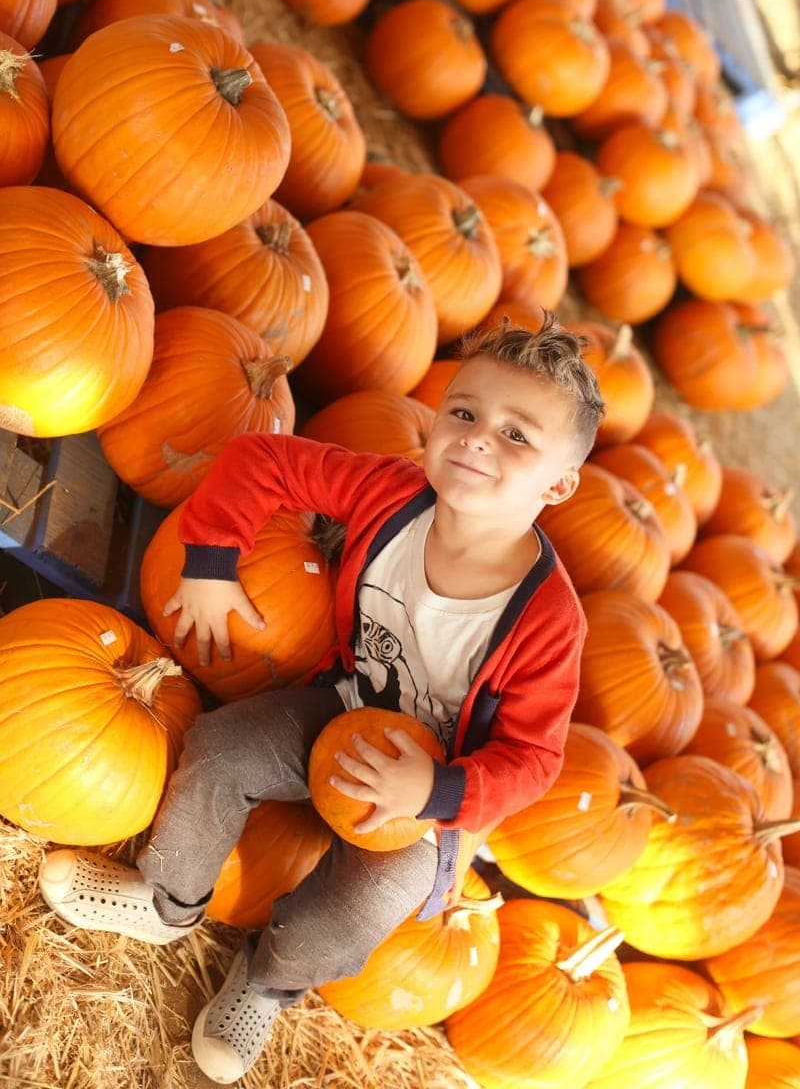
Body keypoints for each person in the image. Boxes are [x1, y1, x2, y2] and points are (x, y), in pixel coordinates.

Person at [39, 316, 604, 1084]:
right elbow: (262, 458)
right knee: (222, 747)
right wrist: (209, 559)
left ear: (560, 483)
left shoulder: (545, 622)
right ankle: (167, 900)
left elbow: (534, 761)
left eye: (516, 436)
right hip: (341, 707)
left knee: (354, 915)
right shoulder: (393, 496)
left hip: (421, 802)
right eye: (464, 413)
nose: (476, 439)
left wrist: (435, 791)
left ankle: (268, 983)